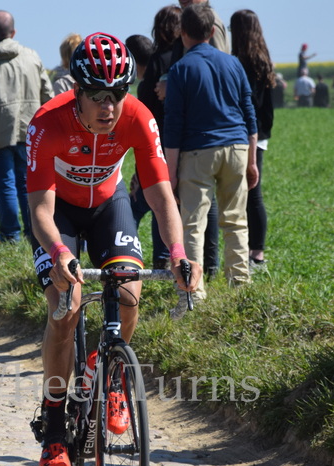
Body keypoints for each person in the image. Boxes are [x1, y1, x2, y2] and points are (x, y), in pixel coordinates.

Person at [26, 32, 200, 466]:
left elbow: (162, 197)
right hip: (58, 216)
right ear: (76, 92)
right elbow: (41, 212)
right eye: (98, 97)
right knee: (64, 312)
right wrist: (61, 252)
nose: (109, 107)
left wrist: (179, 252)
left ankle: (111, 373)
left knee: (127, 292)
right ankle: (52, 425)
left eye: (118, 95)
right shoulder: (47, 124)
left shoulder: (139, 119)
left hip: (108, 204)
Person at [164, 3, 258, 302]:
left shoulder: (180, 69)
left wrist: (170, 172)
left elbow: (174, 123)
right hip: (237, 148)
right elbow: (249, 113)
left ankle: (193, 293)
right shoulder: (233, 64)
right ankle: (240, 285)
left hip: (198, 152)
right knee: (236, 220)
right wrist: (252, 160)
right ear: (213, 31)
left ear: (182, 32)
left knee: (193, 224)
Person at [140, 2, 224, 276]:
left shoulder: (160, 60)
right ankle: (210, 263)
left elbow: (148, 101)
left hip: (165, 136)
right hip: (196, 134)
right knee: (204, 202)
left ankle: (163, 258)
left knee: (162, 200)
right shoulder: (191, 55)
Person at [0, 10, 53, 243]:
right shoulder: (32, 56)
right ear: (13, 32)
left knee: (5, 184)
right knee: (29, 184)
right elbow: (48, 94)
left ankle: (9, 235)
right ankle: (34, 233)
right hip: (32, 130)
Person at [230, 9, 275, 271]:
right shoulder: (263, 59)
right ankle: (254, 251)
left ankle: (255, 254)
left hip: (247, 132)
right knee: (251, 194)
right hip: (261, 133)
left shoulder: (241, 62)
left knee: (251, 194)